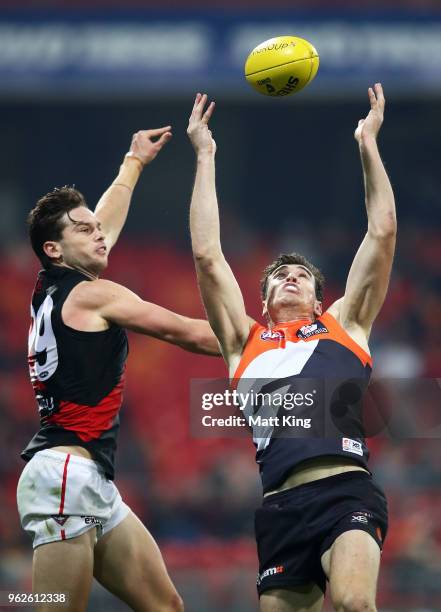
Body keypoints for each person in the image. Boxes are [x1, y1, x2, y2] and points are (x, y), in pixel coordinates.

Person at [187, 85, 396, 611]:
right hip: (281, 506)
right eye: (280, 275)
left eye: (302, 274)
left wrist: (368, 144)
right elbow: (208, 256)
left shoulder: (345, 325)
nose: (292, 277)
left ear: (321, 297)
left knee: (353, 603)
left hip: (346, 491)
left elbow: (383, 231)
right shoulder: (243, 343)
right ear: (262, 301)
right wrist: (205, 156)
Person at [18, 126, 220, 612]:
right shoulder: (93, 294)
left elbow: (100, 224)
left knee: (167, 606)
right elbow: (185, 331)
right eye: (84, 230)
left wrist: (133, 161)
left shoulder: (52, 288)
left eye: (96, 227)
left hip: (88, 480)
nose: (99, 233)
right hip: (67, 474)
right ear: (55, 249)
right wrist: (274, 344)